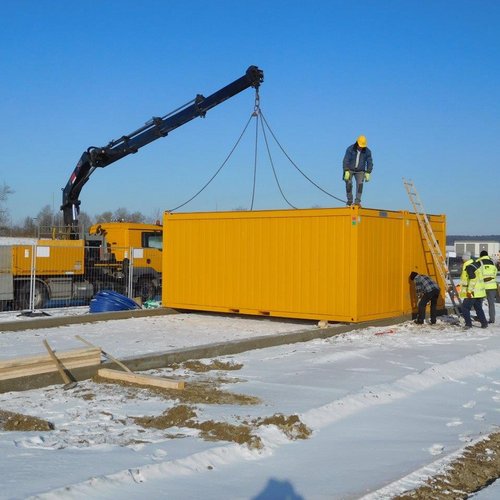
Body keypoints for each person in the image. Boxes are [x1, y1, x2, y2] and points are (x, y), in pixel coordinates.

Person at [342, 135, 373, 206]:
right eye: (360, 146)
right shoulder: (350, 149)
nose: (361, 147)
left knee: (360, 185)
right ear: (357, 143)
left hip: (360, 171)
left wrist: (368, 171)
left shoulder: (367, 151)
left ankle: (357, 202)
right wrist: (346, 170)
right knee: (349, 184)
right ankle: (350, 201)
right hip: (349, 169)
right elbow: (346, 160)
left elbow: (369, 162)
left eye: (363, 146)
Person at [459, 252, 488, 329]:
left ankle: (468, 324)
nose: (462, 260)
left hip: (473, 292)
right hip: (479, 292)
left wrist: (469, 291)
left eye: (463, 258)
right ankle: (484, 323)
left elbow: (473, 279)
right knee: (478, 308)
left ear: (465, 259)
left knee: (465, 307)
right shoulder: (476, 264)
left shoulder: (469, 267)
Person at [478, 250, 498, 323]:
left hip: (482, 286)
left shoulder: (479, 262)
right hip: (492, 286)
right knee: (491, 304)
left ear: (481, 255)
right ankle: (492, 319)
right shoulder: (492, 262)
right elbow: (495, 273)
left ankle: (481, 318)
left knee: (479, 304)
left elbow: (478, 274)